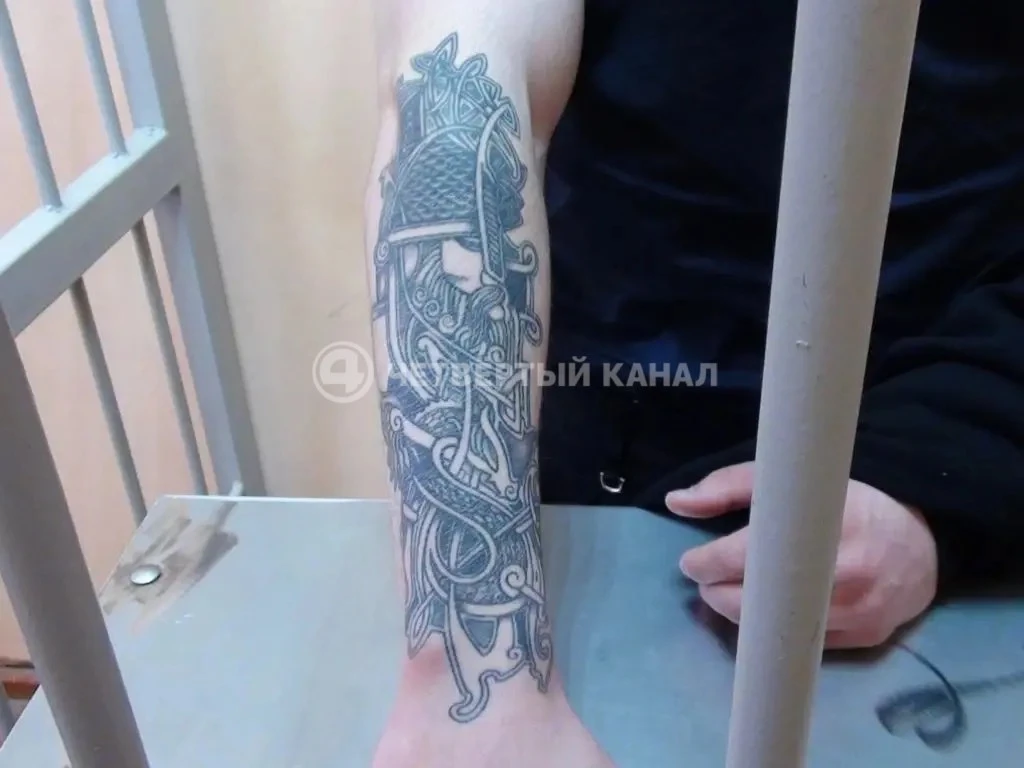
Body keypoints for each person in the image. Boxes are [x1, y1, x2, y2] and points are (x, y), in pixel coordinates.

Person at [365, 1, 1024, 765]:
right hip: (601, 455)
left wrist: (943, 462)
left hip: (962, 416)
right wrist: (471, 670)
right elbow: (460, 85)